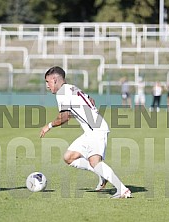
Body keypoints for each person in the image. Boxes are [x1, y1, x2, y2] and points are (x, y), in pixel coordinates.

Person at [40, 66, 131, 198]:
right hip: (91, 130)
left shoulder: (62, 93)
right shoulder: (72, 88)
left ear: (54, 79)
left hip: (96, 129)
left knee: (95, 162)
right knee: (69, 157)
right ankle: (102, 175)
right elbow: (91, 99)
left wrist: (48, 126)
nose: (47, 86)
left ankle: (122, 190)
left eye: (47, 82)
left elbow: (64, 117)